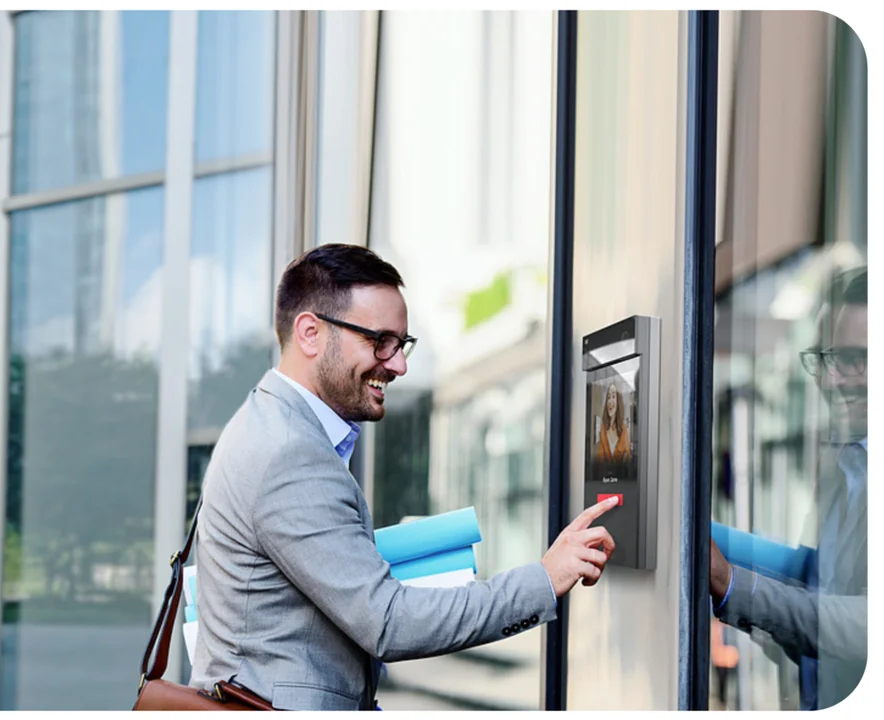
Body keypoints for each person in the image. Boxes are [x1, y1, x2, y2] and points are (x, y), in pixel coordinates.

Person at [188, 244, 620, 711]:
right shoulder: (289, 451)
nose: (398, 364)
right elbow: (388, 623)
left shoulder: (271, 425)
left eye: (402, 344)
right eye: (381, 341)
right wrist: (543, 578)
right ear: (310, 333)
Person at [708, 266, 867, 710]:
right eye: (824, 358)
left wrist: (730, 583)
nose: (831, 380)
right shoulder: (845, 463)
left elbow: (864, 625)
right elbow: (816, 577)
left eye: (854, 359)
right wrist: (703, 535)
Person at [595, 382, 632, 464]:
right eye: (608, 397)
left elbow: (627, 458)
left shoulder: (624, 429)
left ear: (618, 401)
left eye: (613, 396)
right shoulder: (603, 428)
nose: (610, 401)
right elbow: (599, 460)